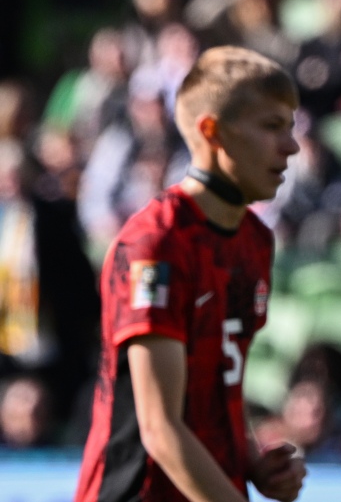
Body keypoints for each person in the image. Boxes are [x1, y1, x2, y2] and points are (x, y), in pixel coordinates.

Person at [75, 46, 305, 502]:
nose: (291, 146)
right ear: (212, 131)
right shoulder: (155, 244)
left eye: (291, 127)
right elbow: (159, 428)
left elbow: (220, 381)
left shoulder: (255, 239)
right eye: (272, 126)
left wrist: (252, 461)